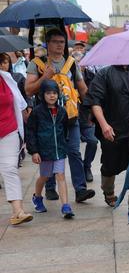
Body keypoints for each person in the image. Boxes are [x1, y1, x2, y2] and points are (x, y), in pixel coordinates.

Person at [24, 29, 95, 203]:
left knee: (74, 151)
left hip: (70, 115)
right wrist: (44, 77)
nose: (59, 45)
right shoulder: (37, 63)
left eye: (62, 42)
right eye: (55, 41)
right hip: (47, 118)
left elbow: (82, 87)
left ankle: (80, 190)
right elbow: (28, 89)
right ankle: (49, 188)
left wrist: (93, 108)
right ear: (47, 44)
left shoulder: (71, 63)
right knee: (49, 153)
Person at [86, 64, 129, 208]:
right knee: (110, 164)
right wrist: (103, 124)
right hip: (112, 129)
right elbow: (95, 100)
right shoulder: (104, 73)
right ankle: (108, 191)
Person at [26, 80, 73, 218]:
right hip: (44, 151)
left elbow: (64, 129)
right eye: (48, 93)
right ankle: (37, 197)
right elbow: (31, 132)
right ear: (42, 95)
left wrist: (64, 143)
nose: (52, 96)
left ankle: (66, 206)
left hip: (59, 149)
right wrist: (34, 151)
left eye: (54, 93)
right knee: (45, 176)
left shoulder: (62, 112)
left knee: (60, 175)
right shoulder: (37, 112)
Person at [0, 56, 32, 225]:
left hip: (8, 129)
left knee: (10, 169)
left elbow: (18, 101)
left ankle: (18, 212)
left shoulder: (6, 78)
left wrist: (27, 112)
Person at [73, 42, 98, 183]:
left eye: (80, 63)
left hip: (87, 115)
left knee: (93, 141)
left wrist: (93, 114)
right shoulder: (67, 76)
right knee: (74, 149)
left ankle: (86, 166)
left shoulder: (91, 75)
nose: (78, 66)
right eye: (75, 63)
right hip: (72, 116)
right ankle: (78, 174)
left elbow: (95, 95)